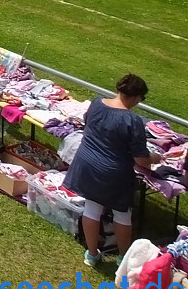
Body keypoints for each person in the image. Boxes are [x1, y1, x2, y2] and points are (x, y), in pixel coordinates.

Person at [64, 74, 163, 267]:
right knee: (122, 213)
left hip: (86, 163)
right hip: (113, 173)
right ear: (135, 97)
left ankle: (92, 255)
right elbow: (141, 159)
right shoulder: (132, 121)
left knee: (92, 207)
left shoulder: (97, 102)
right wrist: (156, 158)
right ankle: (123, 258)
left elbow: (89, 124)